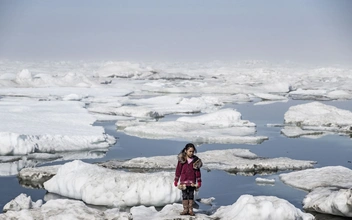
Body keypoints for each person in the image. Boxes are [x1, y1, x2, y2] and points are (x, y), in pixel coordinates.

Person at [174, 143, 202, 216]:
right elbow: (178, 170)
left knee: (191, 195)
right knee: (184, 195)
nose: (191, 153)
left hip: (192, 181)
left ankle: (190, 210)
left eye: (193, 151)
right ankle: (185, 209)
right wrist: (176, 180)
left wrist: (199, 181)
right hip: (184, 181)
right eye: (190, 151)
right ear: (186, 151)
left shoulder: (196, 161)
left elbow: (197, 172)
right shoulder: (182, 160)